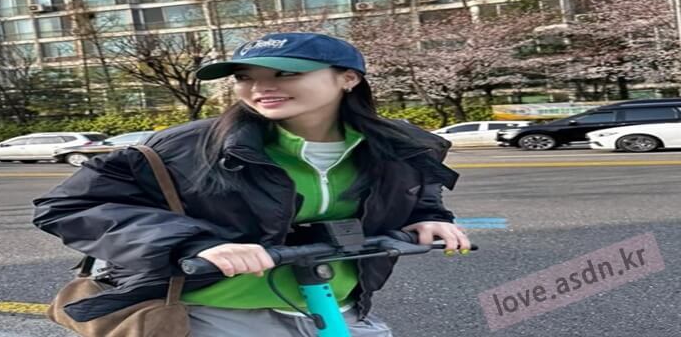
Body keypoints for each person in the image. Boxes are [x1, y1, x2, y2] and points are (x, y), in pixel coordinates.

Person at [33, 32, 472, 336]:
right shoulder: (184, 147)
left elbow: (415, 190)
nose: (260, 87)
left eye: (285, 73)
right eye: (245, 76)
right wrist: (195, 244)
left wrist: (428, 217)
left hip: (338, 309)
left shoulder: (399, 145)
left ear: (348, 78)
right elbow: (70, 206)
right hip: (215, 313)